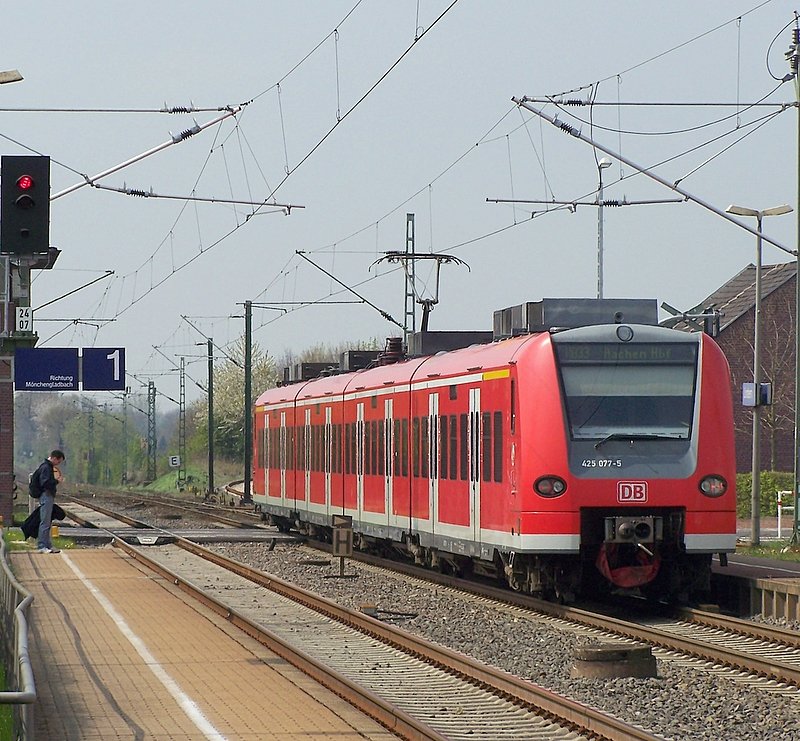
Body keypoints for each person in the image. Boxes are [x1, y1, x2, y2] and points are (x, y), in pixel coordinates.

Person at [34, 450, 65, 554]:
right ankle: (42, 545)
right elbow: (45, 483)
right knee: (45, 522)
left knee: (47, 522)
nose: (58, 464)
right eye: (58, 462)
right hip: (46, 496)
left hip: (47, 496)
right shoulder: (46, 468)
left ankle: (47, 545)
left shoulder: (46, 467)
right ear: (55, 458)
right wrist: (57, 481)